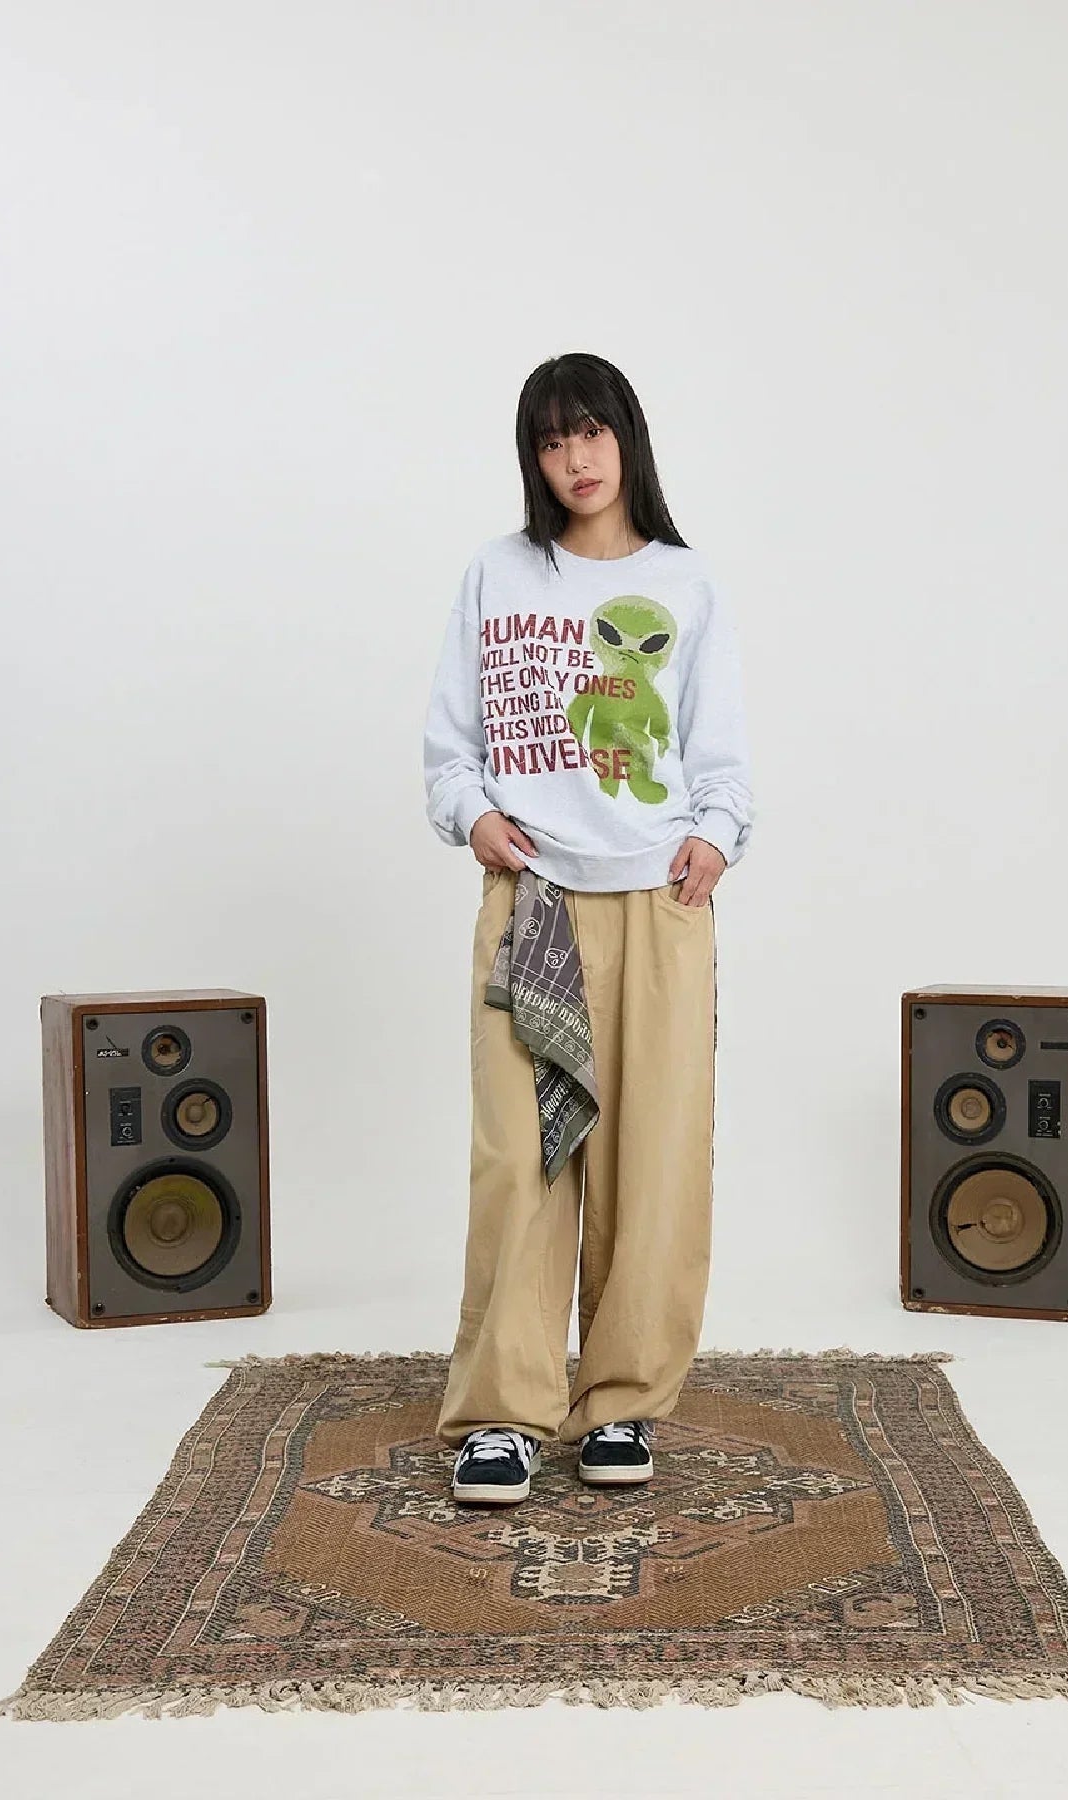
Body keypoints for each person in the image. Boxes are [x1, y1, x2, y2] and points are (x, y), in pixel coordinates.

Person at [422, 351, 754, 1506]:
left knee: (649, 1160)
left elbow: (720, 750)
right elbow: (449, 744)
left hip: (660, 904)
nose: (576, 459)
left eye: (593, 433)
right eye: (554, 439)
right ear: (533, 455)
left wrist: (716, 835)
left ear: (629, 440)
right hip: (535, 901)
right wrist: (471, 817)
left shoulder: (685, 582)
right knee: (521, 1157)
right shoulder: (497, 573)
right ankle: (506, 1414)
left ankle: (621, 1404)